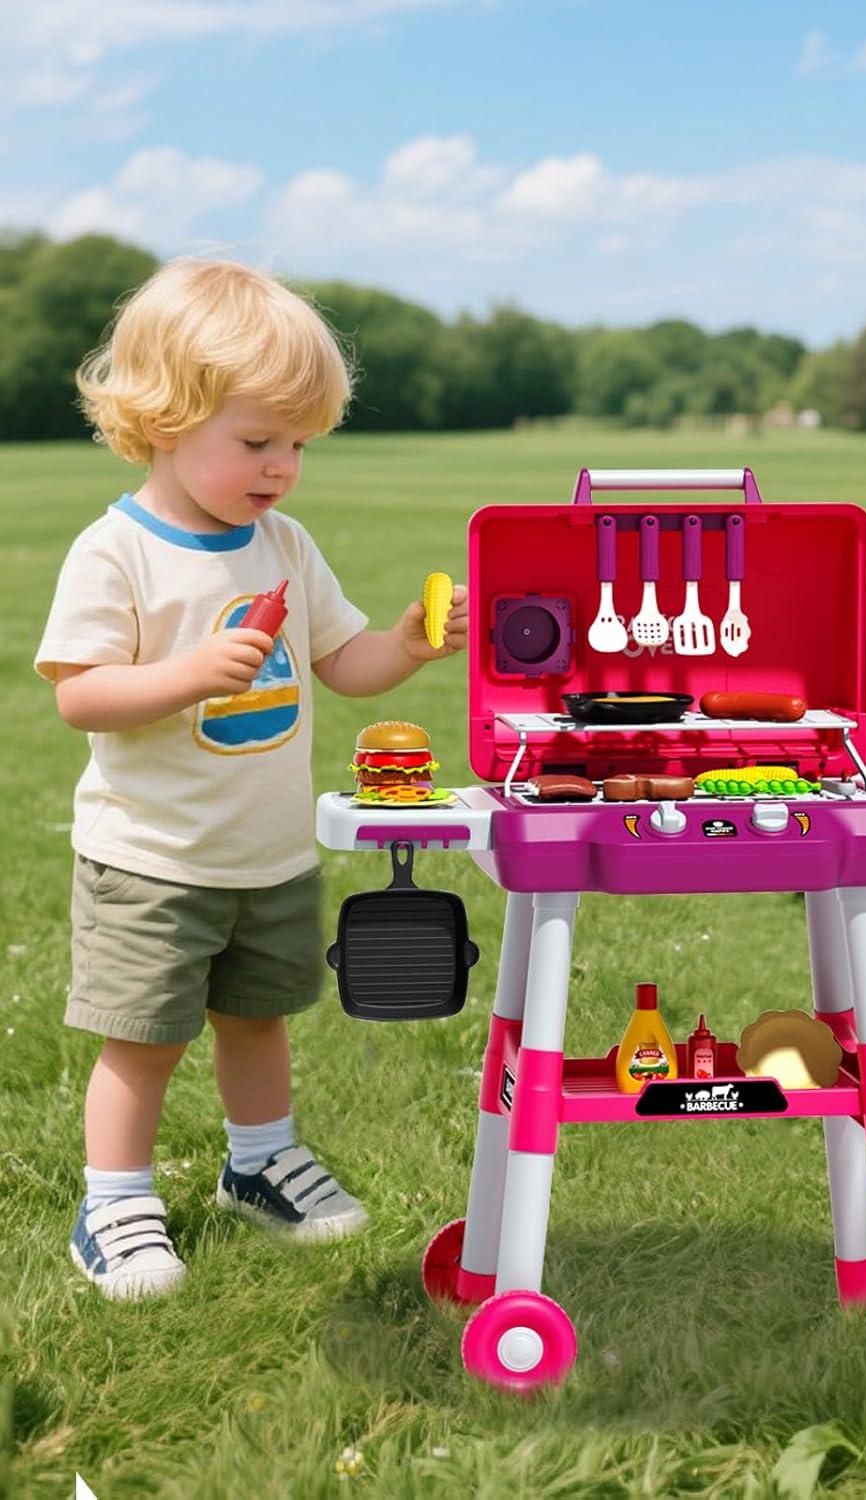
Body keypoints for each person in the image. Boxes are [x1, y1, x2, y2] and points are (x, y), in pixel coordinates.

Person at [34, 259, 471, 1300]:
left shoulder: (285, 543)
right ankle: (115, 1202)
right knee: (143, 1041)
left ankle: (260, 1163)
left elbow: (343, 663)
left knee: (258, 1020)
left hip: (267, 856)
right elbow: (81, 695)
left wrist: (406, 645)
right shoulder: (118, 553)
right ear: (164, 418)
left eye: (300, 445)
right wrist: (188, 674)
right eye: (258, 441)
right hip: (154, 860)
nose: (282, 467)